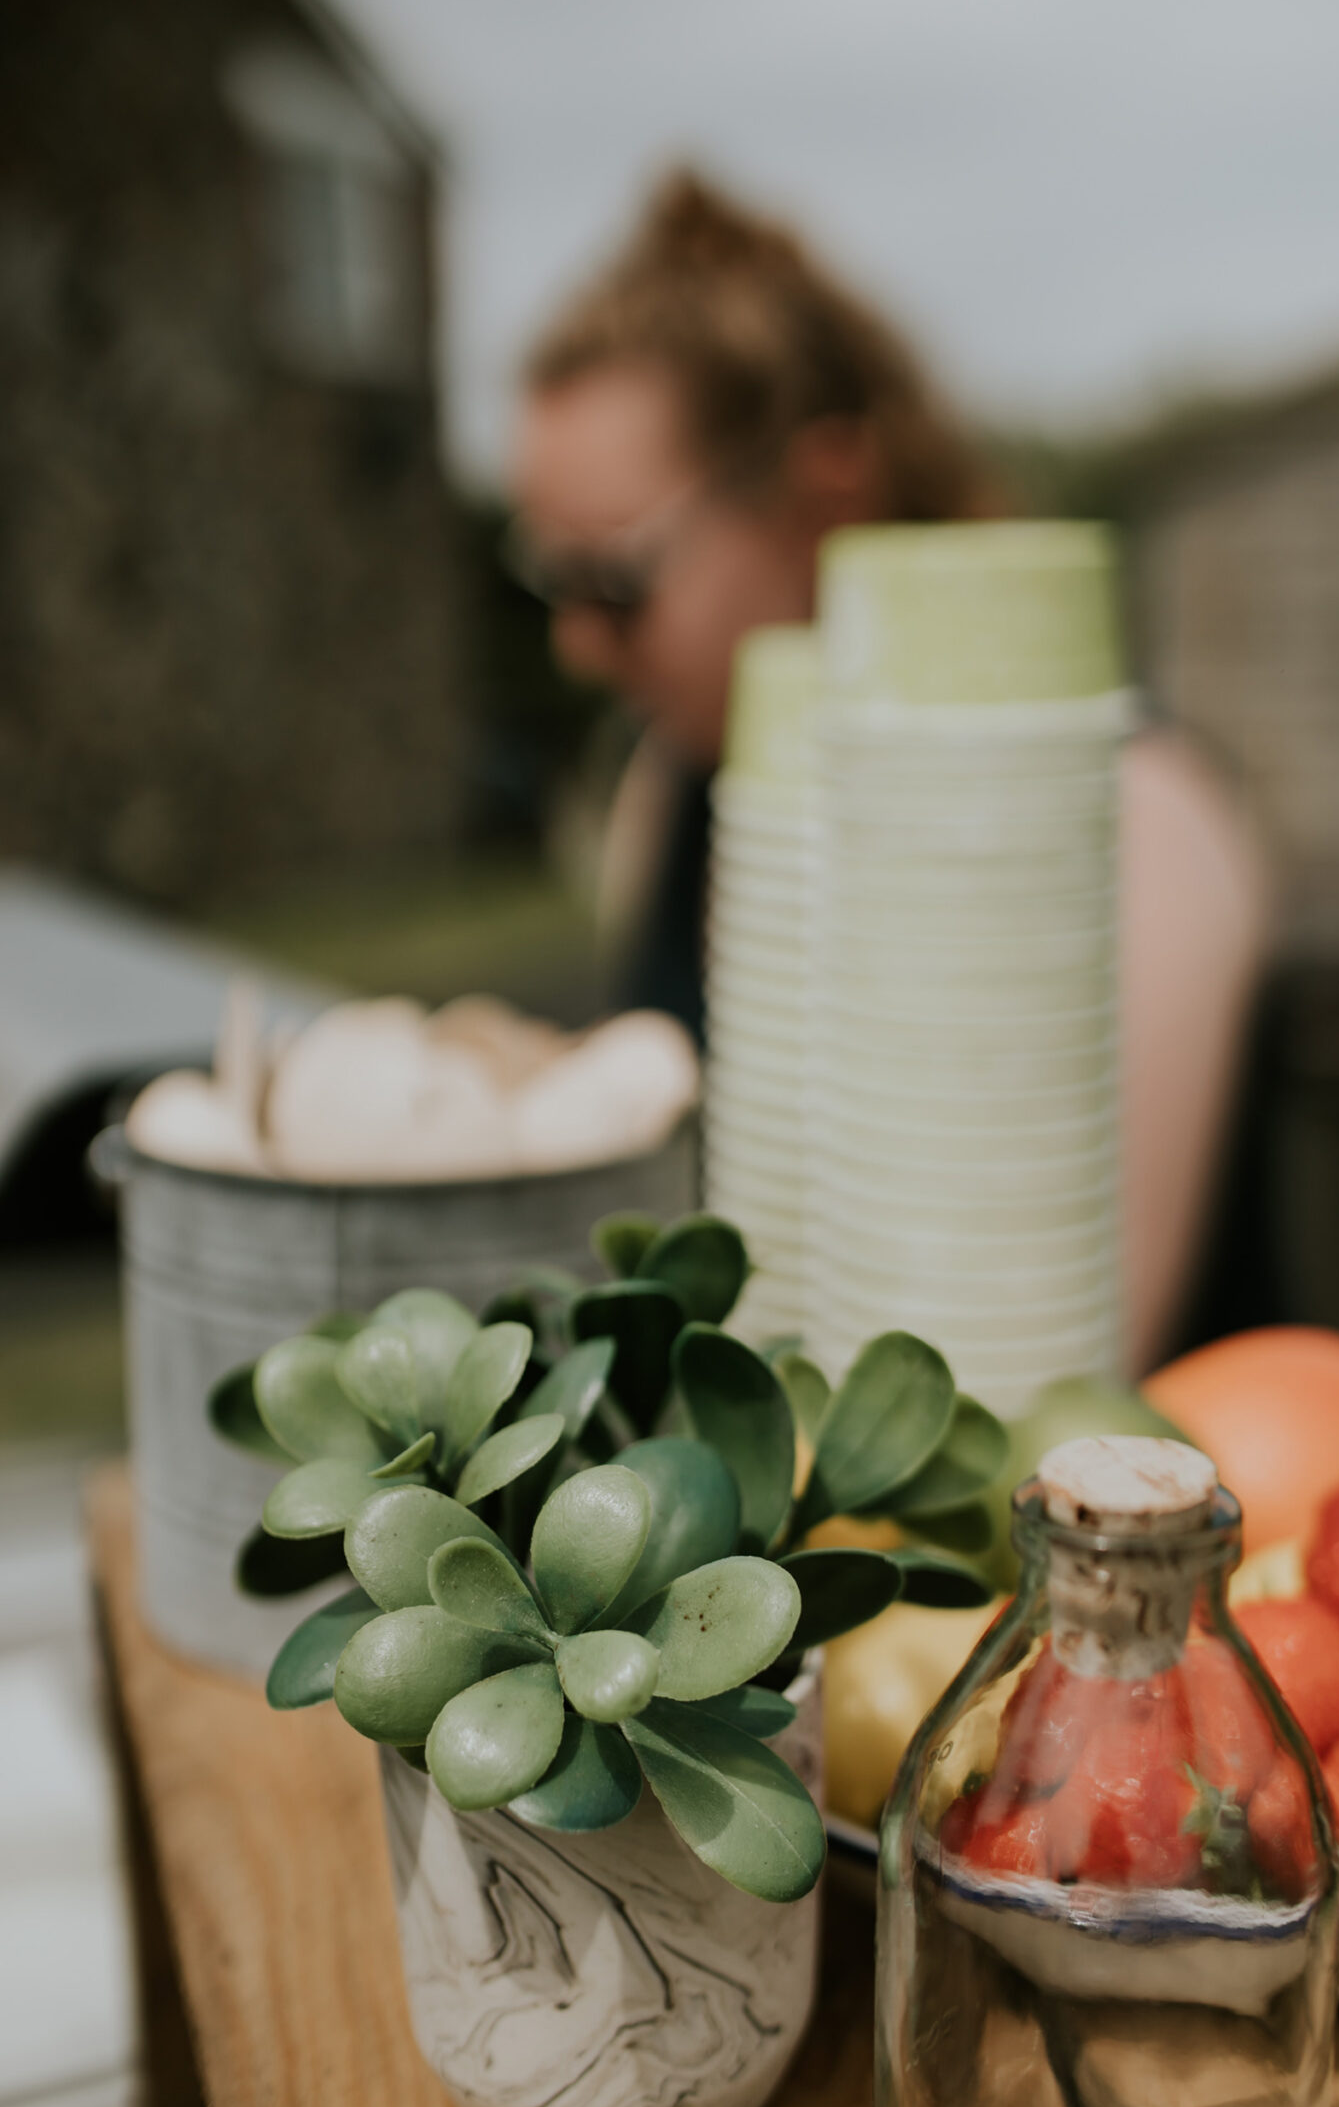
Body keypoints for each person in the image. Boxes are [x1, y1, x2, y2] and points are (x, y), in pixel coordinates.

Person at [509, 171, 1270, 1371]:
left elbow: (1063, 1376)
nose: (576, 641)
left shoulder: (1135, 819)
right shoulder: (675, 786)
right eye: (551, 582)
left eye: (615, 580)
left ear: (826, 489)